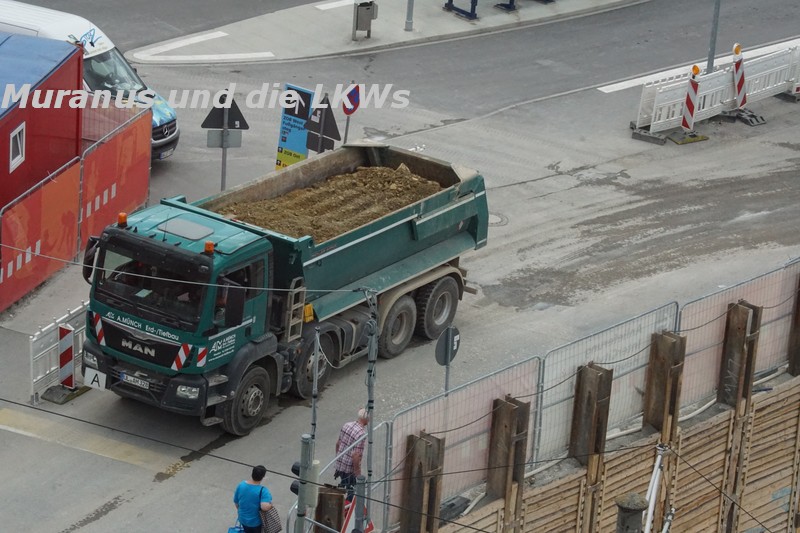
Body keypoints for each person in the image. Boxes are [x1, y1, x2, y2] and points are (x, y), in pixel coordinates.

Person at [334, 408, 369, 499]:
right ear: (366, 419)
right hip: (349, 468)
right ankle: (347, 509)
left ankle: (340, 502)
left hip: (340, 464)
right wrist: (358, 474)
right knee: (352, 493)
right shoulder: (361, 434)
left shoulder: (347, 425)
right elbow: (356, 456)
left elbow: (338, 443)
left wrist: (337, 459)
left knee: (344, 485)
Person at [233, 465, 274, 533]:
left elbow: (236, 503)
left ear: (252, 473)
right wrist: (271, 505)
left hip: (243, 519)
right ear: (263, 477)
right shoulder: (263, 490)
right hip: (255, 522)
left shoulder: (241, 485)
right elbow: (264, 507)